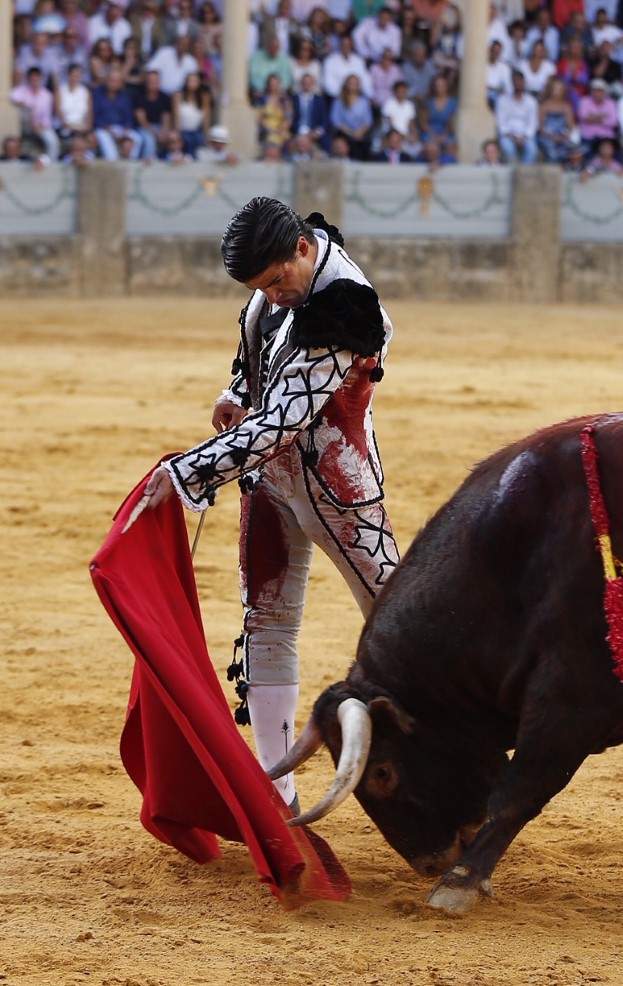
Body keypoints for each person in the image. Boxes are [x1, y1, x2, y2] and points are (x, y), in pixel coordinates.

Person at [128, 198, 400, 813]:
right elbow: (262, 355)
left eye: (277, 280)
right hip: (269, 483)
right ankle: (274, 790)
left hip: (340, 490)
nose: (273, 295)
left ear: (303, 248)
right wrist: (234, 389)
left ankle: (468, 763)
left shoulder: (345, 304)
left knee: (400, 623)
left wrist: (189, 469)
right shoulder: (282, 284)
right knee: (265, 623)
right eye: (262, 287)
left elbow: (282, 421)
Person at [495, 68, 539, 164]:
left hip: (525, 136)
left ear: (524, 82)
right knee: (508, 148)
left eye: (520, 81)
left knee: (532, 149)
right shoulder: (503, 100)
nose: (518, 83)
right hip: (508, 135)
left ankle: (524, 173)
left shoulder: (531, 101)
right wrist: (513, 137)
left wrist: (523, 137)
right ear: (512, 82)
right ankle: (513, 172)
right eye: (516, 81)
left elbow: (532, 123)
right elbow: (501, 122)